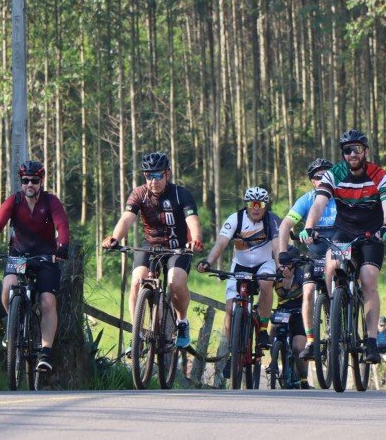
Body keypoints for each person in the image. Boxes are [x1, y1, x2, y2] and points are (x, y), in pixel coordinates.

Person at [300, 129, 386, 363]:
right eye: (347, 150)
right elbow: (319, 203)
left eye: (357, 149)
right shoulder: (334, 175)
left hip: (371, 234)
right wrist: (310, 226)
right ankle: (333, 313)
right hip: (344, 231)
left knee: (367, 278)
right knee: (330, 268)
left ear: (365, 151)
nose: (352, 153)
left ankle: (372, 341)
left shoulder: (380, 175)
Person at [101, 152, 203, 349]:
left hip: (178, 247)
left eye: (157, 175)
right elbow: (126, 219)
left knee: (175, 283)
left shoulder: (180, 194)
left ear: (167, 174)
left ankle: (182, 323)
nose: (153, 181)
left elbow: (193, 221)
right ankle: (137, 335)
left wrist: (196, 240)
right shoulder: (139, 193)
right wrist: (115, 238)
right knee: (137, 282)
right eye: (149, 176)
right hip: (151, 245)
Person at [0, 160, 70, 373]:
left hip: (45, 257)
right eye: (26, 180)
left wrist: (62, 247)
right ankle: (13, 328)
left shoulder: (50, 202)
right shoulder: (14, 201)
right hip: (19, 256)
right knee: (8, 286)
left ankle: (45, 353)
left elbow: (62, 225)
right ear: (21, 182)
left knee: (48, 300)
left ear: (41, 182)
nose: (30, 184)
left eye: (34, 180)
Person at [196, 186, 280, 375]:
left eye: (260, 204)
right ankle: (232, 351)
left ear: (266, 206)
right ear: (246, 205)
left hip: (264, 264)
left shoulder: (272, 220)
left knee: (267, 283)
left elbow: (277, 246)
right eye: (252, 204)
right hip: (239, 266)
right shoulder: (235, 219)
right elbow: (221, 243)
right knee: (230, 308)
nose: (256, 208)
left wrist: (281, 266)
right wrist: (208, 262)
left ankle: (263, 329)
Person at [278, 158, 338, 360]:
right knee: (308, 290)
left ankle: (339, 312)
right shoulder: (307, 199)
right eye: (317, 177)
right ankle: (312, 340)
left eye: (327, 175)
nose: (322, 180)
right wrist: (282, 254)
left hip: (340, 246)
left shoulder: (342, 197)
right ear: (312, 181)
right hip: (316, 250)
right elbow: (286, 225)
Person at [270, 247, 311, 389]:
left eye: (287, 264)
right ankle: (274, 361)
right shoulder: (277, 274)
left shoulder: (303, 275)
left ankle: (304, 379)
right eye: (282, 263)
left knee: (298, 347)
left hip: (300, 313)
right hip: (283, 311)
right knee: (274, 330)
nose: (284, 267)